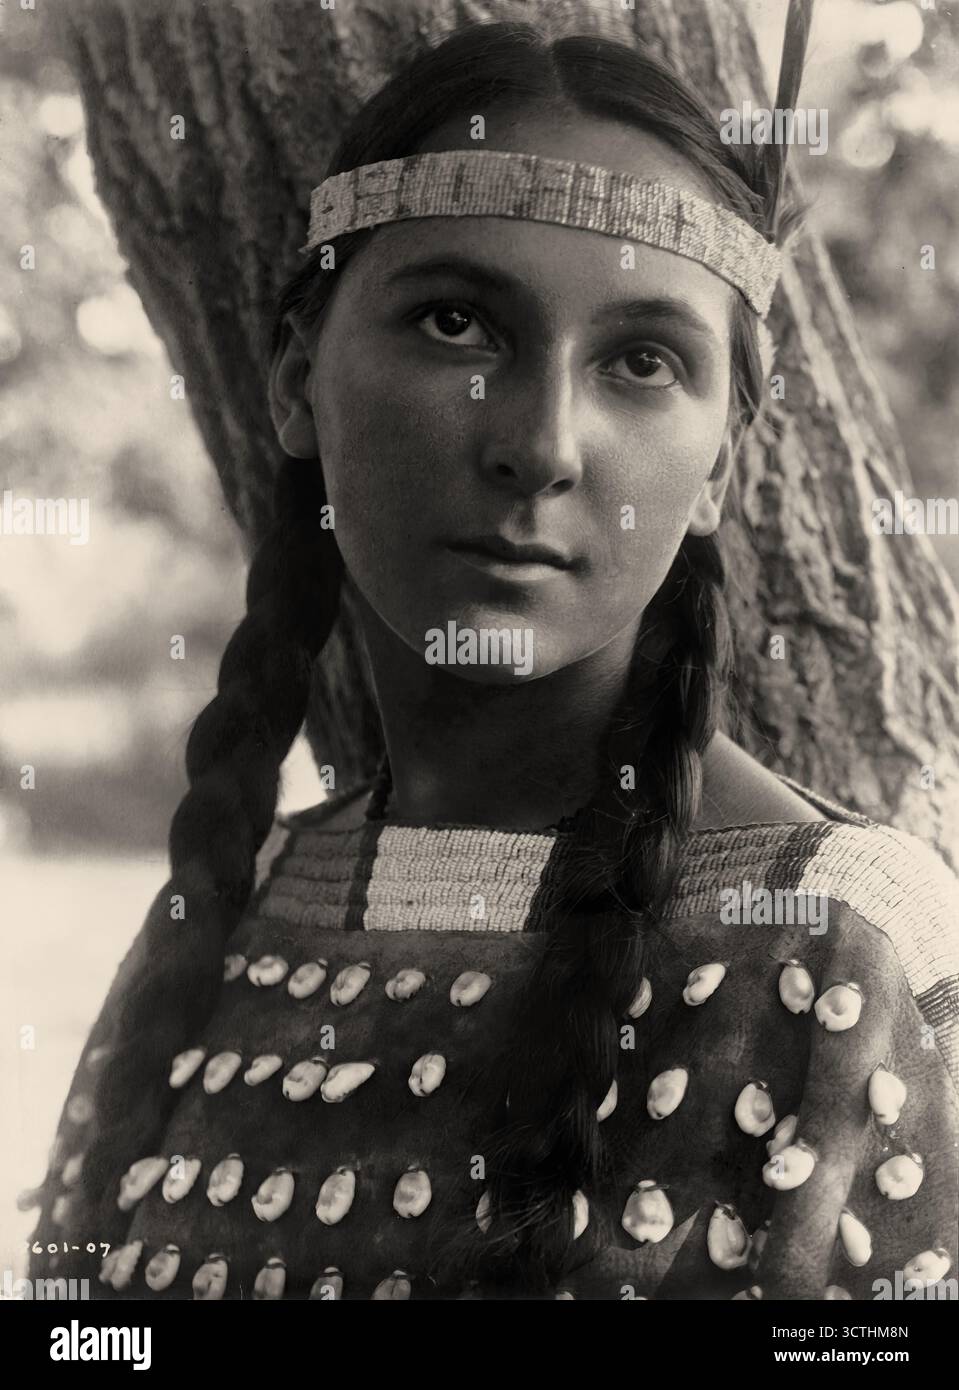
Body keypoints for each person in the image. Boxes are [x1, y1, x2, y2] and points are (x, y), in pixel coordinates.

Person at [26, 13, 959, 1301]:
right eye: (459, 324)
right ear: (299, 380)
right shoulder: (232, 906)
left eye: (642, 360)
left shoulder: (835, 947)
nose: (543, 441)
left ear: (717, 468)